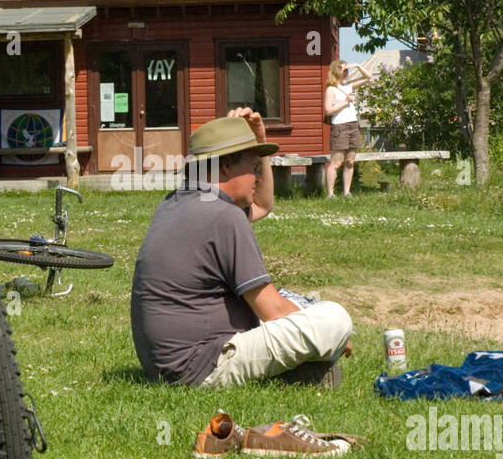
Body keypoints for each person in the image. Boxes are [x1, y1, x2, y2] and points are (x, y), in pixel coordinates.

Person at [130, 109, 354, 388]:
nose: (258, 177)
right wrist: (327, 336)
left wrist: (258, 142)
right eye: (253, 167)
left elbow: (262, 205)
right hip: (201, 364)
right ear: (226, 167)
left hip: (164, 364)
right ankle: (307, 363)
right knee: (335, 317)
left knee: (302, 305)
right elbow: (274, 312)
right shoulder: (224, 215)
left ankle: (303, 373)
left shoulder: (176, 202)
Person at [323, 59, 370, 198]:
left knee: (350, 162)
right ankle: (330, 194)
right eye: (344, 70)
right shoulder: (331, 89)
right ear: (336, 71)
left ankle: (346, 192)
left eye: (347, 70)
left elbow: (368, 76)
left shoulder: (349, 86)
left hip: (353, 125)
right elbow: (328, 111)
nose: (346, 72)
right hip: (340, 126)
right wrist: (345, 102)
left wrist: (357, 65)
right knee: (336, 163)